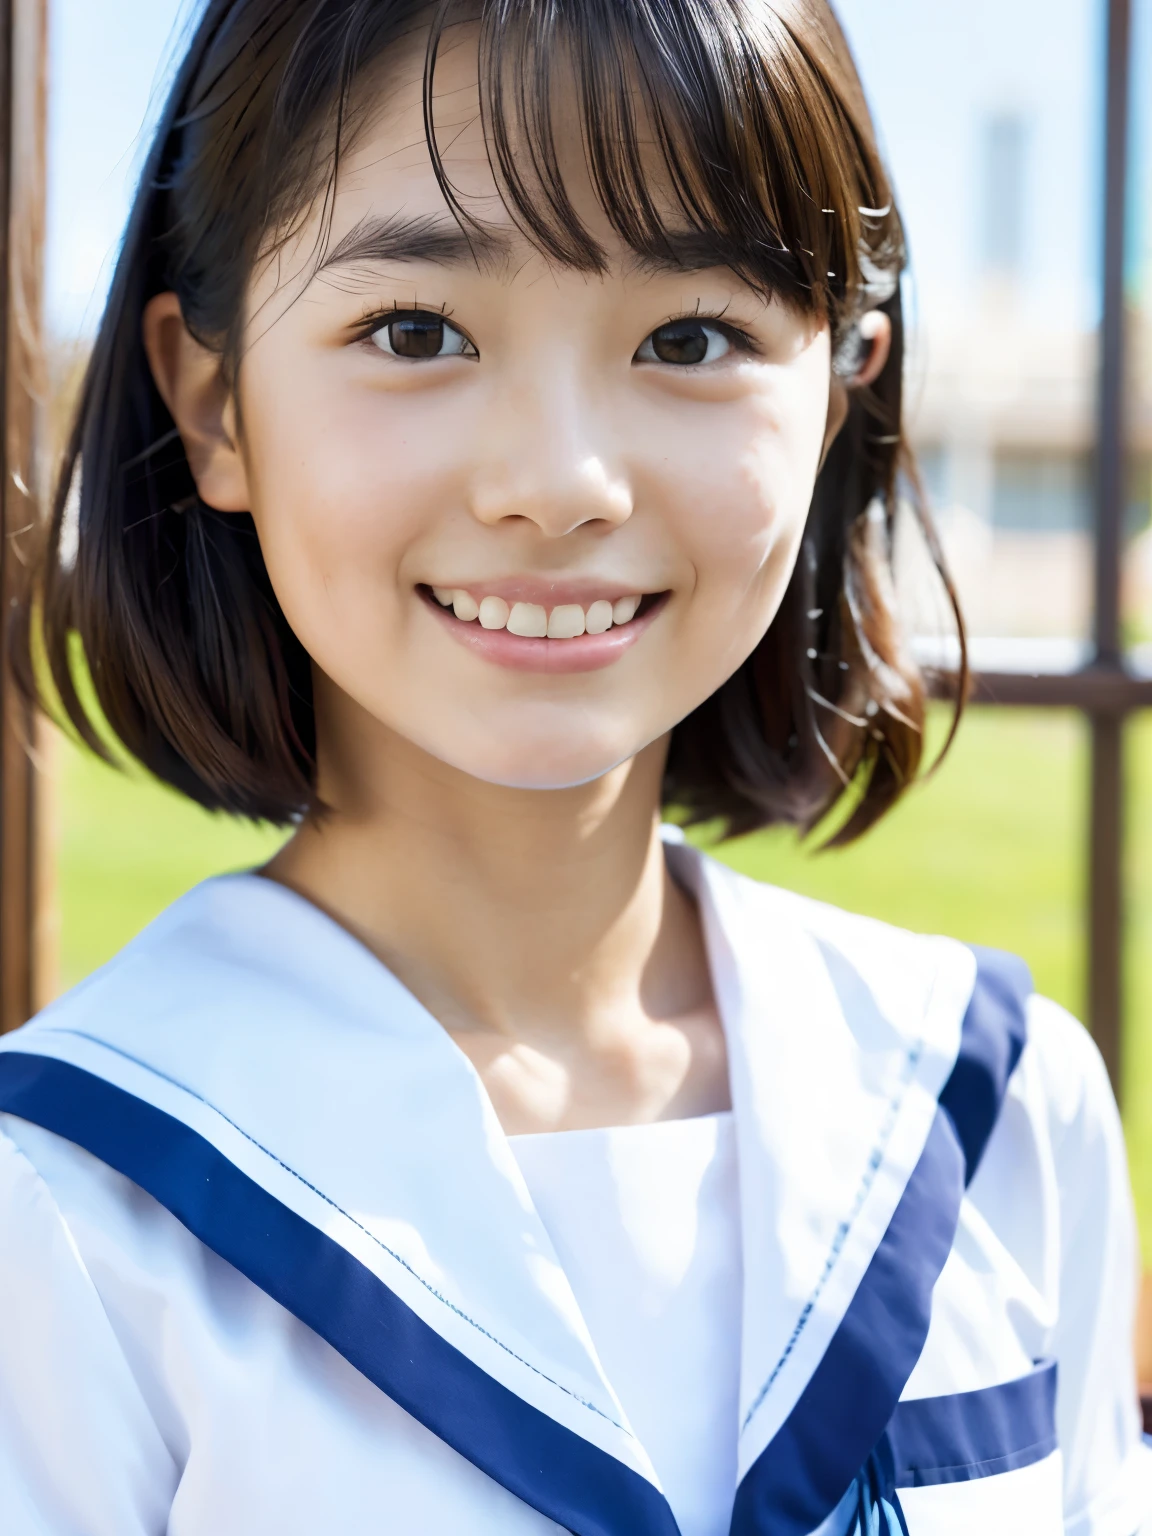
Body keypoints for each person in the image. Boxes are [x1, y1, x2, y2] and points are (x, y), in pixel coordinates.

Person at [0, 1, 1146, 1531]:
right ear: (213, 403)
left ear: (839, 391)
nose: (559, 484)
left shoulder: (999, 1107)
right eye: (416, 332)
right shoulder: (65, 1205)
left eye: (692, 339)